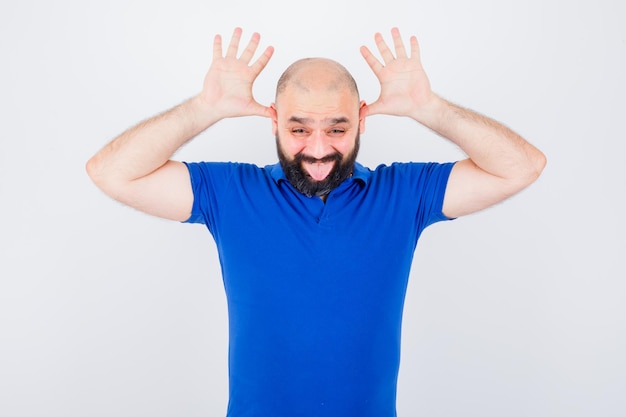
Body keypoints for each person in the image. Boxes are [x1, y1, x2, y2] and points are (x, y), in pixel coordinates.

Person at [86, 27, 546, 417]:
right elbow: (111, 173)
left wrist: (430, 107)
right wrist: (204, 108)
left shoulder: (403, 194)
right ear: (274, 122)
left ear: (362, 122)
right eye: (300, 128)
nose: (319, 148)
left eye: (338, 128)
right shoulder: (231, 192)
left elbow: (520, 166)